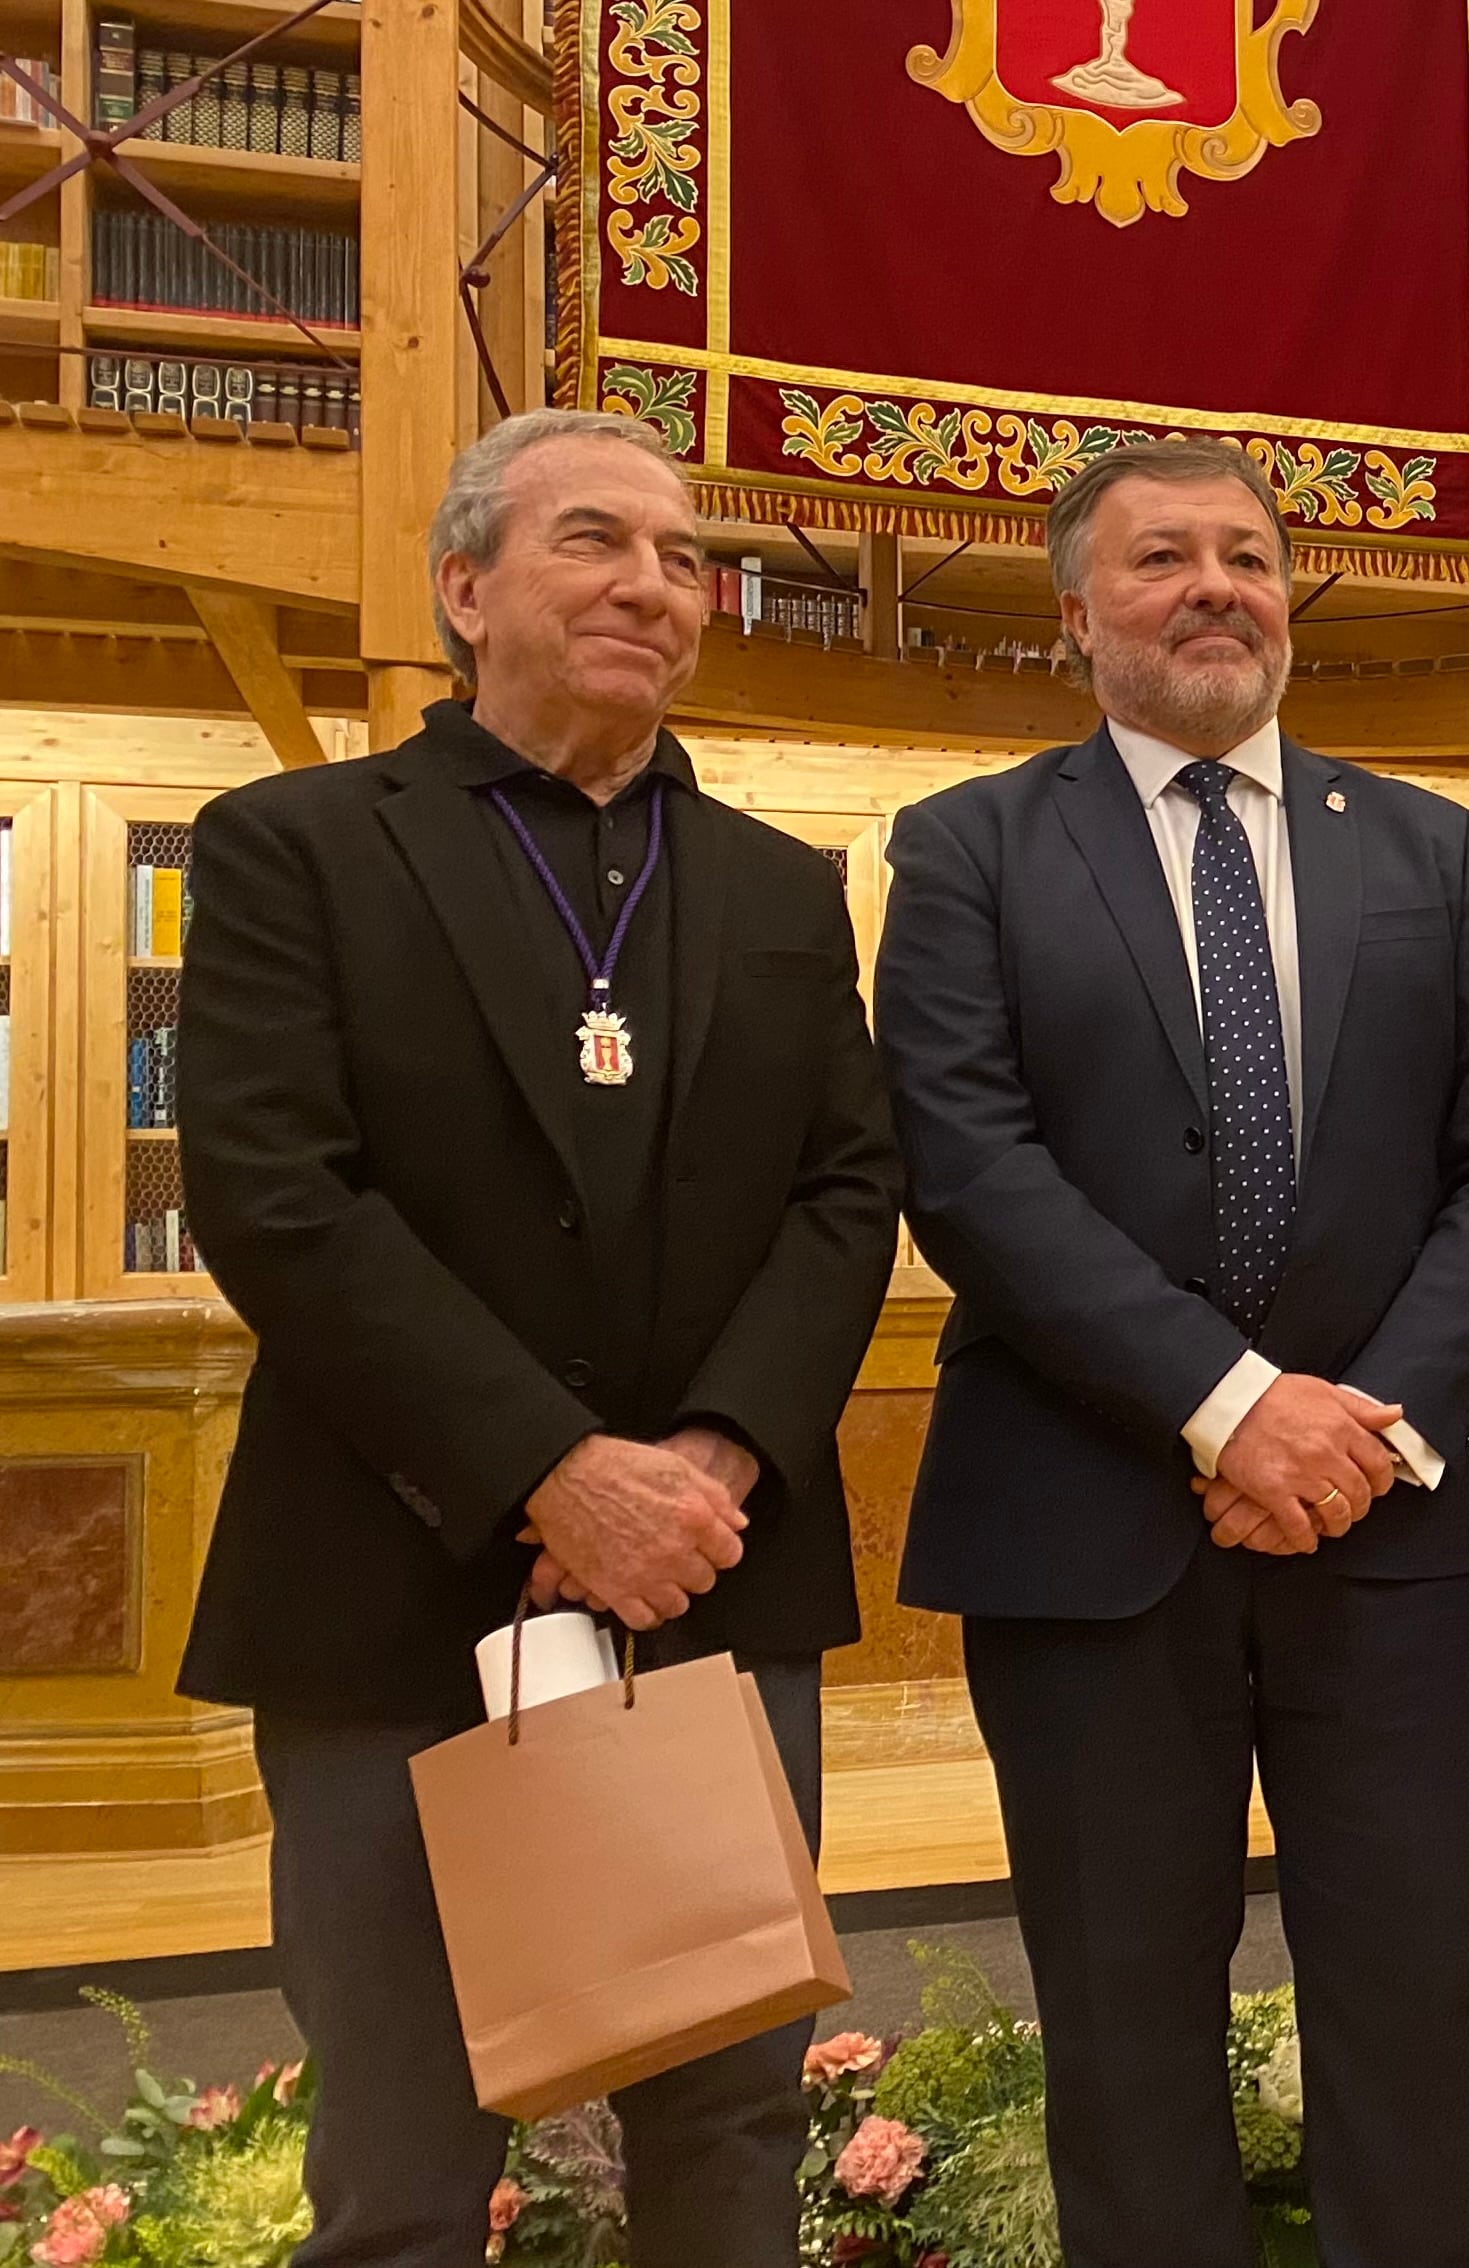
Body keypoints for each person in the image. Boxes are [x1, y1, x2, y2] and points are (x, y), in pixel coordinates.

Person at [174, 407, 903, 2265]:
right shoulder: (293, 849)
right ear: (464, 588)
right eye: (597, 542)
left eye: (682, 558)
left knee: (727, 2119)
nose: (653, 586)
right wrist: (556, 1472)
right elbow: (275, 1193)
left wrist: (712, 1460)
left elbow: (846, 1192)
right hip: (392, 1587)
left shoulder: (776, 887)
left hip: (710, 1586)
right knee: (404, 2153)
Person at [874, 439, 1469, 2267]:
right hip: (1091, 1535)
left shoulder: (1431, 849)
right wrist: (1228, 1404)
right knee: (1123, 2027)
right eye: (1163, 557)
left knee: (1414, 2004)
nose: (1215, 587)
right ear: (1074, 615)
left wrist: (1352, 1432)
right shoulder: (973, 847)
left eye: (1250, 557)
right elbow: (966, 1159)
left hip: (1390, 1535)